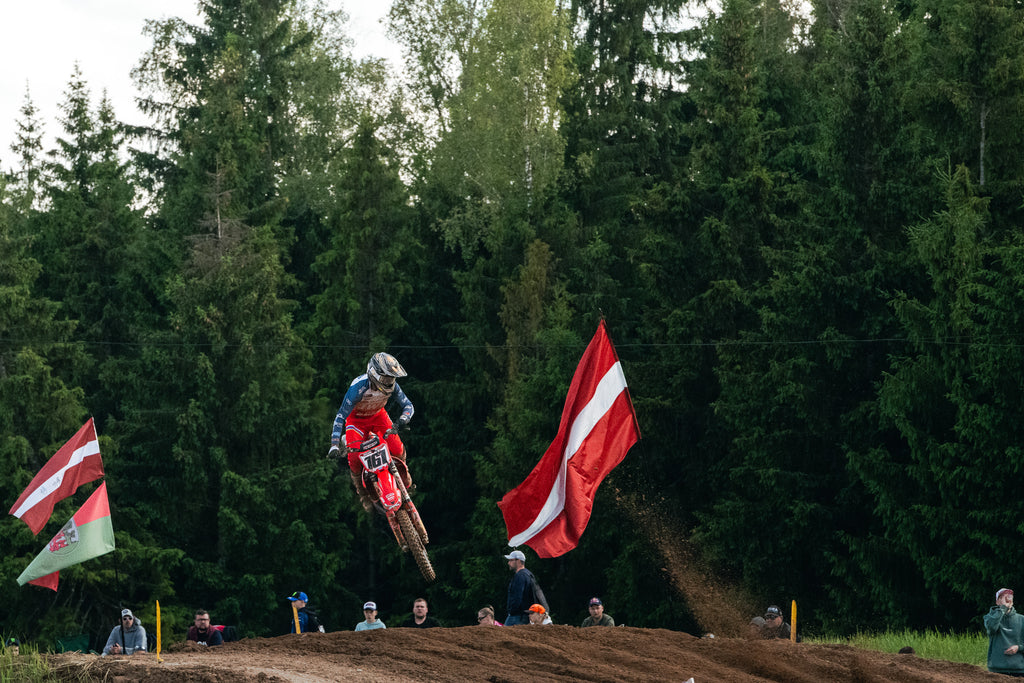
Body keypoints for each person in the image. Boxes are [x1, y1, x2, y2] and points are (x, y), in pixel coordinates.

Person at [328, 352, 415, 513]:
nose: (389, 383)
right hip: (356, 422)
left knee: (397, 448)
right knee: (354, 460)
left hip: (378, 416)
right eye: (386, 379)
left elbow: (408, 405)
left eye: (391, 379)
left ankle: (404, 481)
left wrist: (403, 419)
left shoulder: (393, 386)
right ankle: (365, 496)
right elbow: (340, 416)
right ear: (374, 374)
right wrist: (334, 444)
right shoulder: (358, 388)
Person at [986, 587, 1024, 676]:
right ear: (997, 602)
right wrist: (1002, 609)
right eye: (1002, 597)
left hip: (1019, 671)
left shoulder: (1022, 619)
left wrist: (1018, 648)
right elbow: (991, 629)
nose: (1007, 598)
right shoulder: (989, 618)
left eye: (1009, 596)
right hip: (996, 670)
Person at [504, 549, 547, 626]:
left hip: (517, 616)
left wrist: (512, 611)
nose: (508, 563)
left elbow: (517, 597)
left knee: (504, 636)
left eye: (511, 560)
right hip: (525, 615)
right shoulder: (528, 574)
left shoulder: (520, 576)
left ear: (518, 561)